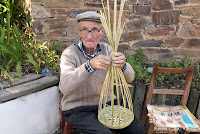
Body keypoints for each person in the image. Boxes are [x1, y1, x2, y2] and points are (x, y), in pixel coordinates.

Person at [59, 11, 145, 134]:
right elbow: (65, 87)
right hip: (78, 108)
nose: (89, 36)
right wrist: (89, 66)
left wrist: (123, 65)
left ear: (102, 32)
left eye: (94, 30)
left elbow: (130, 78)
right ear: (79, 32)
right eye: (85, 30)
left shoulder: (107, 50)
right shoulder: (69, 54)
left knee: (138, 129)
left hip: (108, 104)